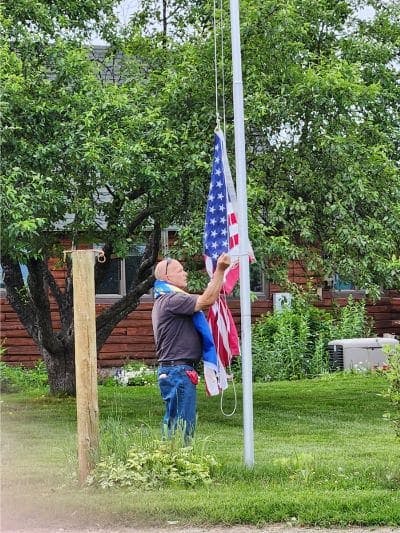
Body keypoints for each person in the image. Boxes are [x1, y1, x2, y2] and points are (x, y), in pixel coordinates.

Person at [152, 253, 231, 442]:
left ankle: (169, 462)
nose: (185, 273)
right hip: (178, 371)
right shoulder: (172, 300)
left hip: (174, 369)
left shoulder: (164, 301)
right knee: (182, 424)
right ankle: (179, 464)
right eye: (180, 270)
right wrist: (220, 270)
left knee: (175, 422)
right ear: (167, 277)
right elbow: (207, 300)